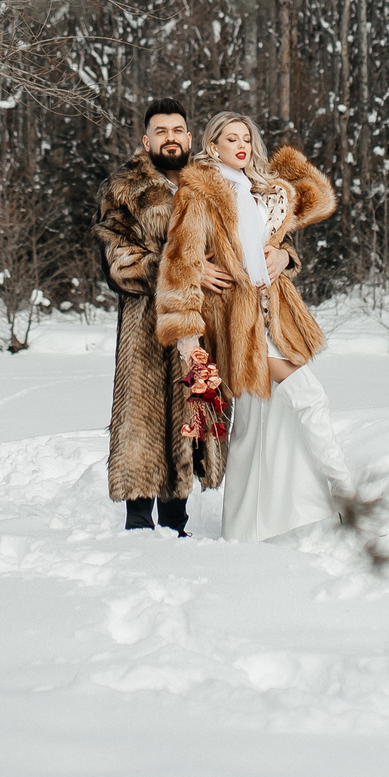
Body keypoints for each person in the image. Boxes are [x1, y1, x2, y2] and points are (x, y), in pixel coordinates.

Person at [155, 112, 349, 542]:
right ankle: (347, 494)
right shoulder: (200, 192)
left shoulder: (263, 191)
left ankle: (248, 527)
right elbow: (178, 264)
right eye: (230, 138)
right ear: (214, 146)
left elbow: (307, 212)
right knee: (309, 395)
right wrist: (190, 344)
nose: (241, 145)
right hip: (233, 323)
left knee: (260, 423)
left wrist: (285, 257)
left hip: (271, 314)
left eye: (246, 137)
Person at [94, 98, 236, 534]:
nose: (170, 138)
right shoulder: (123, 189)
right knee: (142, 419)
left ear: (190, 138)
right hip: (145, 324)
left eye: (177, 130)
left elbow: (254, 232)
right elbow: (117, 259)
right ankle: (138, 520)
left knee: (189, 415)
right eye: (161, 131)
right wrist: (183, 269)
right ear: (146, 139)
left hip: (201, 323)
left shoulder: (213, 184)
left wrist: (283, 255)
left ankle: (177, 520)